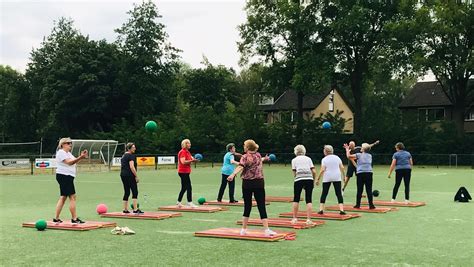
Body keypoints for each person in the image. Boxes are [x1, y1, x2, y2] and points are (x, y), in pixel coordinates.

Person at [227, 139, 276, 236]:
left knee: (247, 206)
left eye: (244, 146)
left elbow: (241, 167)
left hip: (247, 183)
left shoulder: (245, 157)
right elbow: (259, 159)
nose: (243, 147)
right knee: (261, 205)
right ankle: (266, 230)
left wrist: (232, 174)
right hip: (259, 183)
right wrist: (265, 159)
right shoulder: (258, 155)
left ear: (248, 147)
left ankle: (243, 230)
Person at [53, 137, 88, 224]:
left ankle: (56, 218)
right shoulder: (61, 152)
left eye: (70, 143)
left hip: (67, 176)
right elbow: (69, 162)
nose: (70, 145)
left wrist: (81, 156)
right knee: (72, 197)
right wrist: (80, 157)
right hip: (65, 176)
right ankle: (74, 218)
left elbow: (74, 161)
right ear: (63, 144)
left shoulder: (68, 153)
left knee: (63, 197)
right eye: (68, 143)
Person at [344, 142, 376, 209]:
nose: (360, 148)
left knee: (359, 189)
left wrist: (347, 149)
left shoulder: (358, 155)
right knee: (369, 190)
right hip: (369, 173)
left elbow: (348, 156)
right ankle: (371, 205)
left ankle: (357, 205)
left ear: (363, 149)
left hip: (361, 174)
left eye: (362, 147)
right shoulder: (370, 156)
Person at [290, 145, 317, 225]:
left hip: (299, 179)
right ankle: (308, 219)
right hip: (309, 179)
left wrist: (298, 178)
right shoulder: (308, 159)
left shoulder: (294, 160)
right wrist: (313, 180)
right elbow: (314, 171)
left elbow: (294, 173)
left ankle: (295, 218)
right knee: (309, 199)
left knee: (296, 198)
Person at [316, 145, 346, 215]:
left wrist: (318, 179)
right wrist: (344, 176)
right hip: (337, 176)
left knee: (324, 193)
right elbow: (342, 168)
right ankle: (341, 210)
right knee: (338, 193)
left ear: (326, 151)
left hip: (327, 177)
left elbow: (322, 170)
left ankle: (321, 210)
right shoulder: (337, 158)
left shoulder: (324, 159)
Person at [120, 143, 143, 214]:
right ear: (129, 148)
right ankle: (135, 209)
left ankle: (125, 209)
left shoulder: (123, 156)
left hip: (123, 175)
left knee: (126, 192)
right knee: (134, 191)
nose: (135, 148)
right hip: (130, 175)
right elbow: (131, 167)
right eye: (133, 147)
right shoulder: (130, 156)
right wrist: (136, 176)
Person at [177, 139, 199, 207]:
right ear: (185, 144)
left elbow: (191, 159)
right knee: (189, 187)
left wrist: (195, 160)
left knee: (184, 188)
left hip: (186, 172)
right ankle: (190, 202)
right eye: (188, 143)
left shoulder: (187, 152)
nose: (190, 144)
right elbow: (183, 162)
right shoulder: (183, 152)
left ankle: (178, 202)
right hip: (183, 172)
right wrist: (192, 161)